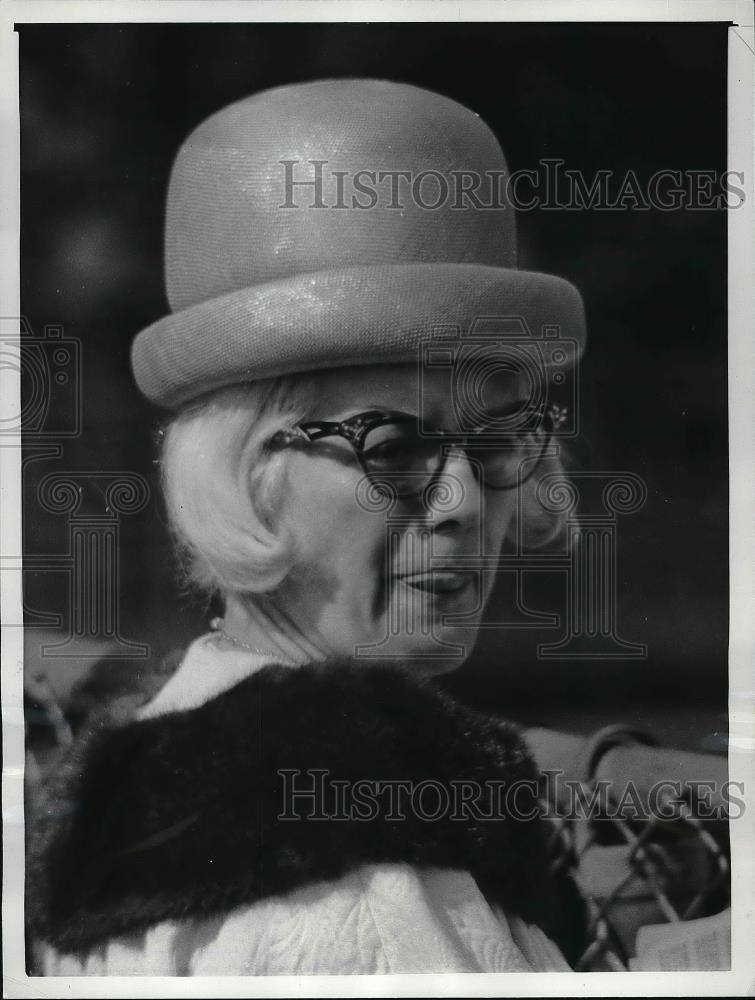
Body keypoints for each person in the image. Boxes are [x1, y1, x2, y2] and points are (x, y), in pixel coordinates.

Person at [27, 79, 588, 975]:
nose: (462, 503)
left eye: (496, 440)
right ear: (245, 474)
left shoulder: (152, 770)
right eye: (392, 446)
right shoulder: (355, 881)